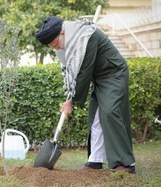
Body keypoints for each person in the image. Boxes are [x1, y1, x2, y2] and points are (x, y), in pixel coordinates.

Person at [35, 16, 136, 173]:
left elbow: (84, 71)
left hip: (114, 73)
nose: (55, 48)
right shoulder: (67, 44)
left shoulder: (86, 36)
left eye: (55, 44)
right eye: (51, 46)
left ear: (62, 32)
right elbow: (71, 73)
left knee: (110, 112)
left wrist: (72, 101)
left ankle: (125, 163)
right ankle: (95, 161)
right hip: (100, 78)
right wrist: (69, 97)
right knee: (95, 117)